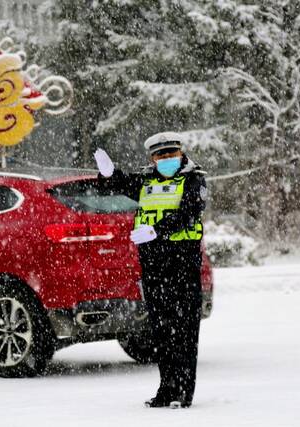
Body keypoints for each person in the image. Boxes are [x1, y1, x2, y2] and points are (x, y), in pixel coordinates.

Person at [94, 131, 207, 408]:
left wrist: (156, 231)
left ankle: (183, 391)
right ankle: (166, 389)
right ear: (152, 158)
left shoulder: (194, 179)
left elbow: (188, 213)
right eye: (160, 155)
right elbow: (118, 185)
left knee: (184, 331)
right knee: (162, 330)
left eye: (171, 154)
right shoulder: (146, 180)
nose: (166, 159)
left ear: (181, 154)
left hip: (183, 264)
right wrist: (109, 173)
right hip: (155, 267)